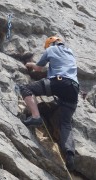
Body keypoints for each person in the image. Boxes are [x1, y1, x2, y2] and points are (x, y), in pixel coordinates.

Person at [19, 36, 79, 171]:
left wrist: (30, 65)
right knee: (65, 123)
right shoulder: (70, 53)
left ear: (50, 44)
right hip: (73, 89)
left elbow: (39, 68)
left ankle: (35, 117)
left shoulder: (51, 49)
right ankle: (69, 154)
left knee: (26, 88)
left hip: (59, 82)